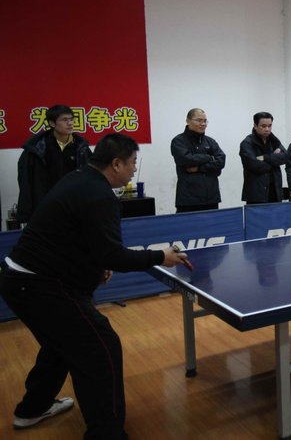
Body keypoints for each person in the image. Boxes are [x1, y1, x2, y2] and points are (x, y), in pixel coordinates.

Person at [0, 134, 191, 439]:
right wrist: (160, 256)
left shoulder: (79, 179)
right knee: (101, 346)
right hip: (40, 285)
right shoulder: (100, 195)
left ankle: (32, 408)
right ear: (116, 164)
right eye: (132, 163)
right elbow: (112, 255)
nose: (134, 169)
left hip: (19, 279)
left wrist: (96, 264)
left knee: (62, 343)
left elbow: (77, 237)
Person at [16, 104, 92, 223]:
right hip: (46, 207)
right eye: (64, 120)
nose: (70, 123)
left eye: (71, 119)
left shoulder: (81, 148)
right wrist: (25, 214)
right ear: (52, 123)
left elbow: (91, 177)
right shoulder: (36, 149)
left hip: (75, 206)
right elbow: (26, 182)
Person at [170, 108, 226, 213]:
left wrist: (199, 168)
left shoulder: (210, 141)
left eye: (205, 121)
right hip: (188, 200)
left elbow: (221, 161)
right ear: (188, 121)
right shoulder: (178, 141)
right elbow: (186, 160)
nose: (203, 124)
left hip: (211, 198)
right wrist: (209, 157)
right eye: (199, 120)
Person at [239, 112, 286, 204]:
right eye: (263, 126)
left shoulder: (274, 140)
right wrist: (274, 160)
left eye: (269, 126)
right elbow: (254, 165)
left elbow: (285, 157)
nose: (267, 129)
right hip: (256, 195)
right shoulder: (247, 143)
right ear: (255, 126)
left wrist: (265, 157)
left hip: (275, 192)